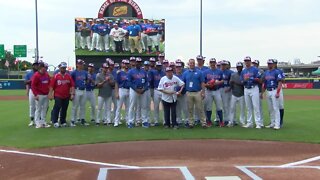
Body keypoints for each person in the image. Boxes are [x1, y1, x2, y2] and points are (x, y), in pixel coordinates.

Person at [182, 58, 208, 128]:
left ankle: (203, 123)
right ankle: (191, 123)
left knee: (200, 108)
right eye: (191, 63)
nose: (192, 64)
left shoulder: (199, 72)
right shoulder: (185, 73)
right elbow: (183, 83)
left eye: (193, 63)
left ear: (195, 63)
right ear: (188, 64)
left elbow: (202, 82)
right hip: (189, 93)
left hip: (197, 92)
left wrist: (203, 92)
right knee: (190, 109)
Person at [49, 62, 75, 127]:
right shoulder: (56, 76)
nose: (64, 69)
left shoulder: (68, 76)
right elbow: (51, 86)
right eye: (62, 68)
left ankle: (63, 121)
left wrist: (72, 94)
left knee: (64, 108)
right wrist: (50, 94)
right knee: (57, 107)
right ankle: (55, 121)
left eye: (65, 68)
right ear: (60, 68)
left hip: (66, 95)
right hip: (58, 95)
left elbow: (72, 86)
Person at [240, 56, 263, 129]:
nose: (247, 62)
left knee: (256, 106)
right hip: (246, 88)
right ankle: (249, 123)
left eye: (248, 61)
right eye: (245, 61)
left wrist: (250, 78)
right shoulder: (243, 71)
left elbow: (259, 79)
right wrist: (244, 80)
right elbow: (241, 81)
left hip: (254, 88)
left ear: (250, 61)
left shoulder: (255, 69)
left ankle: (258, 123)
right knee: (248, 107)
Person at [127, 57, 149, 128]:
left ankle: (144, 121)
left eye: (140, 62)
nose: (138, 63)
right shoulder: (131, 71)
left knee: (144, 106)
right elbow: (129, 82)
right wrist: (135, 89)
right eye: (137, 62)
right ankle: (130, 121)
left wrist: (144, 89)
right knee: (132, 106)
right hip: (134, 90)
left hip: (142, 90)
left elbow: (147, 82)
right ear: (135, 63)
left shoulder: (144, 72)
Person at [262, 59, 283, 130]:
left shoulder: (277, 72)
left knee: (276, 108)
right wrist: (262, 93)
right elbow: (264, 84)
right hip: (268, 90)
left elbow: (280, 82)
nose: (269, 65)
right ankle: (272, 123)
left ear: (273, 64)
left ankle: (277, 124)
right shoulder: (266, 72)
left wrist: (278, 92)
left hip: (274, 90)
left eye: (270, 64)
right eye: (268, 64)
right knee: (270, 108)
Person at [203, 58, 224, 127]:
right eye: (211, 62)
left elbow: (223, 80)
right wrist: (208, 84)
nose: (212, 64)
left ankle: (221, 121)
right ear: (209, 63)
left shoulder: (219, 71)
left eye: (213, 62)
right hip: (208, 91)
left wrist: (217, 83)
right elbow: (203, 82)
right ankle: (208, 121)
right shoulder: (206, 72)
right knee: (208, 107)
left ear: (215, 63)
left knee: (219, 107)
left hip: (217, 90)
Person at [31, 62, 51, 128]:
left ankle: (43, 122)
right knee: (38, 109)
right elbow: (33, 86)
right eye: (44, 67)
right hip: (39, 95)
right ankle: (37, 123)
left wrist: (49, 93)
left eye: (46, 68)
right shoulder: (36, 75)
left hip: (46, 94)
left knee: (45, 109)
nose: (45, 69)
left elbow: (49, 83)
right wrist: (35, 94)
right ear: (41, 67)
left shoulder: (46, 74)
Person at [70, 59, 88, 127]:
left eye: (82, 64)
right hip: (76, 90)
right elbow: (71, 81)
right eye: (80, 64)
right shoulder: (74, 72)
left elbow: (86, 80)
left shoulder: (84, 72)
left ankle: (82, 120)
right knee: (75, 106)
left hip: (84, 90)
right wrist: (72, 91)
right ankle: (72, 120)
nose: (81, 65)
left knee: (83, 106)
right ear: (77, 64)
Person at [228, 62, 246, 127]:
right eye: (238, 67)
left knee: (242, 109)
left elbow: (243, 84)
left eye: (240, 67)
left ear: (242, 67)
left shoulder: (244, 74)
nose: (239, 68)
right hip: (234, 93)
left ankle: (242, 122)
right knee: (232, 108)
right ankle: (231, 121)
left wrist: (235, 82)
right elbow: (231, 83)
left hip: (242, 94)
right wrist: (230, 86)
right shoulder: (233, 75)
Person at [114, 60, 130, 126]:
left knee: (128, 107)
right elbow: (116, 83)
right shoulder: (119, 73)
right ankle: (116, 121)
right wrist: (116, 93)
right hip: (121, 89)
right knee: (119, 107)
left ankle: (128, 120)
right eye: (124, 63)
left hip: (129, 90)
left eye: (127, 63)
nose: (126, 65)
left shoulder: (130, 72)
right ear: (122, 64)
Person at [149, 61, 165, 126]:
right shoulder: (153, 72)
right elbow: (151, 81)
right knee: (156, 106)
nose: (159, 67)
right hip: (156, 89)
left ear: (161, 66)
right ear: (156, 66)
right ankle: (156, 121)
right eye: (157, 66)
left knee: (164, 106)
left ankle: (165, 120)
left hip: (163, 90)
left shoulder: (164, 73)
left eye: (159, 66)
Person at [24, 62, 39, 127]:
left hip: (38, 91)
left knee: (38, 106)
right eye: (35, 65)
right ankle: (32, 120)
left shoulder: (40, 73)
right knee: (32, 106)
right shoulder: (29, 73)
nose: (36, 66)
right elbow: (25, 82)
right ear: (33, 66)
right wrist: (31, 81)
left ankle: (37, 120)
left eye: (37, 65)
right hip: (32, 90)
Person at [220, 60, 234, 124]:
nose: (223, 66)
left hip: (227, 88)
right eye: (222, 64)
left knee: (227, 105)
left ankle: (227, 119)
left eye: (224, 65)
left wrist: (230, 88)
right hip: (219, 88)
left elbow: (232, 82)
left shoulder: (230, 72)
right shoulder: (218, 71)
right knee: (220, 105)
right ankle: (219, 119)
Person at [252, 60, 265, 126]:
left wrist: (262, 92)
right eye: (253, 64)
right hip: (251, 90)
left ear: (258, 64)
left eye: (255, 64)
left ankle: (261, 122)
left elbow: (262, 82)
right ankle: (252, 122)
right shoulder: (250, 70)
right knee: (252, 107)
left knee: (259, 107)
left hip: (259, 90)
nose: (254, 65)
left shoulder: (261, 71)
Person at [274, 59, 286, 127]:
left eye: (275, 63)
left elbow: (284, 80)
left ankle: (280, 121)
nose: (273, 64)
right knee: (273, 107)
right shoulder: (269, 71)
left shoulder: (280, 71)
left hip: (279, 88)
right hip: (271, 89)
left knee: (280, 105)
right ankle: (273, 121)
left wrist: (279, 78)